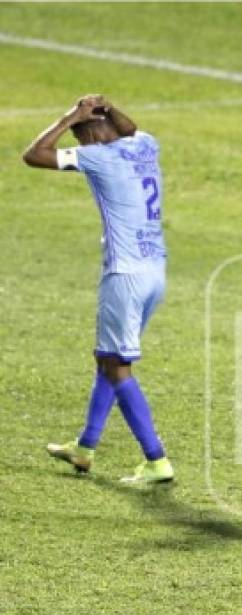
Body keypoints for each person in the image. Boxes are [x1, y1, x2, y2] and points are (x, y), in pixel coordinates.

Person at [23, 95, 172, 484]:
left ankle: (157, 461)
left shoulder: (96, 157)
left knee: (119, 367)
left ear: (88, 137)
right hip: (155, 272)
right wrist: (106, 107)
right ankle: (85, 448)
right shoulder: (144, 145)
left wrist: (70, 117)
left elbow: (35, 154)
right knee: (108, 358)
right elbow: (131, 128)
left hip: (124, 276)